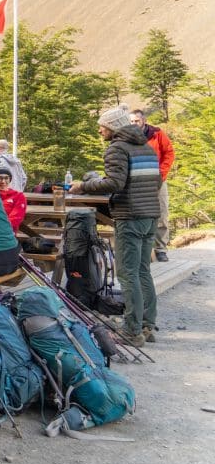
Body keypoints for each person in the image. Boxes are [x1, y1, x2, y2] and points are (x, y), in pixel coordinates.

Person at [70, 106, 161, 346]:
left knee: (127, 273)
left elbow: (115, 183)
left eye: (103, 126)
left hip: (130, 216)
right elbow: (157, 181)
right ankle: (146, 325)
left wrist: (83, 186)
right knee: (142, 271)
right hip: (150, 215)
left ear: (113, 127)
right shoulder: (147, 148)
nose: (100, 130)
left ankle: (131, 331)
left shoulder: (117, 148)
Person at [130, 109, 174, 262]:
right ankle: (143, 249)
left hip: (158, 179)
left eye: (136, 120)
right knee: (140, 213)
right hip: (137, 181)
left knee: (161, 212)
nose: (134, 123)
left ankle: (161, 249)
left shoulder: (157, 134)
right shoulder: (127, 136)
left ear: (144, 120)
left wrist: (161, 174)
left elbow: (169, 153)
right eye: (131, 121)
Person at [0, 166, 26, 235]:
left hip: (6, 235)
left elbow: (16, 218)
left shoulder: (18, 196)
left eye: (6, 178)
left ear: (10, 179)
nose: (3, 181)